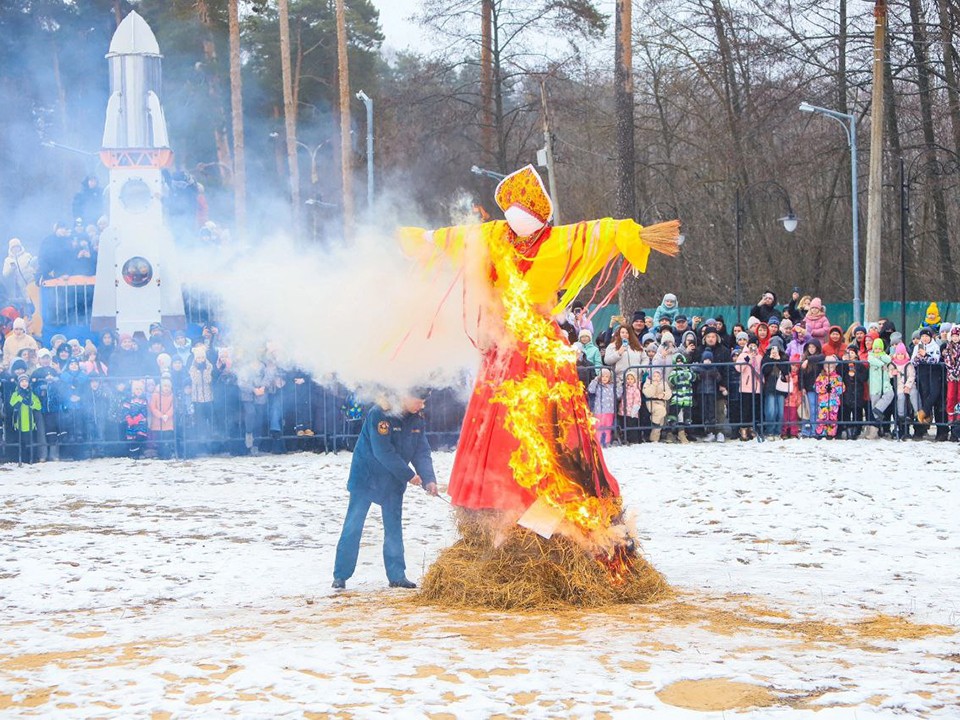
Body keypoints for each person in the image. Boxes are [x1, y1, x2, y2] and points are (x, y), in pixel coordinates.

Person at [332, 391, 438, 590]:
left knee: (393, 528)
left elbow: (422, 452)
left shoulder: (416, 419)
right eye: (419, 400)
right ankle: (340, 575)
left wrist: (429, 480)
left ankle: (397, 576)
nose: (421, 405)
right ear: (406, 396)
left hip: (392, 481)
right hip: (367, 477)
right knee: (354, 525)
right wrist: (409, 475)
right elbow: (383, 451)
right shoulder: (380, 413)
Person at [9, 373, 41, 463]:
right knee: (21, 442)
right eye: (22, 381)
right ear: (18, 383)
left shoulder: (31, 394)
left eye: (26, 381)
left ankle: (32, 458)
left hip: (30, 422)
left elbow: (38, 406)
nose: (24, 383)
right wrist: (20, 397)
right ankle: (22, 459)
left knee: (30, 442)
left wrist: (31, 404)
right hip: (19, 423)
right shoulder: (15, 394)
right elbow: (12, 404)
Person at [814, 355, 844, 438]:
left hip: (833, 402)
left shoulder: (837, 377)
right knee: (822, 416)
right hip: (823, 401)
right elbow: (816, 387)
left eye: (831, 367)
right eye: (827, 366)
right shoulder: (821, 376)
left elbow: (842, 388)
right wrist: (824, 388)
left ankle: (831, 433)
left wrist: (833, 389)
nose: (829, 368)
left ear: (834, 367)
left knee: (832, 417)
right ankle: (820, 432)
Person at [588, 368, 618, 447]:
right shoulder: (598, 385)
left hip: (609, 411)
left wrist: (619, 384)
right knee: (598, 427)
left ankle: (607, 441)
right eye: (603, 376)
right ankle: (598, 441)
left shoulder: (612, 386)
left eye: (606, 376)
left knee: (608, 427)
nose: (604, 378)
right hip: (599, 411)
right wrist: (595, 380)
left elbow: (618, 394)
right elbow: (591, 390)